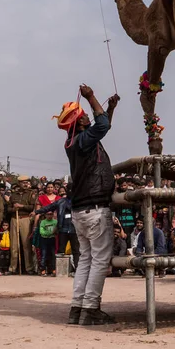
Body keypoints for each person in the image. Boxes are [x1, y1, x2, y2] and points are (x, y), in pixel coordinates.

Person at [55, 84, 119, 326]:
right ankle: (90, 308)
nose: (86, 114)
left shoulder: (76, 141)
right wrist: (92, 97)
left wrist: (109, 109)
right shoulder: (82, 140)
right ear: (79, 122)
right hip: (94, 209)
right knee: (99, 260)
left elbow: (103, 125)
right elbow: (101, 126)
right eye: (82, 114)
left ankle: (77, 308)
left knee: (85, 260)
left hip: (81, 210)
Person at [35, 184, 80, 270]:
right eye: (69, 190)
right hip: (63, 228)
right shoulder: (61, 201)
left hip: (75, 229)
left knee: (76, 251)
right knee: (61, 251)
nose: (71, 192)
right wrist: (38, 211)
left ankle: (78, 270)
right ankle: (61, 270)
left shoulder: (79, 202)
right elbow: (48, 207)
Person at [7, 176, 36, 275]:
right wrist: (13, 209)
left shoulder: (30, 194)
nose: (25, 184)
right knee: (14, 246)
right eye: (23, 182)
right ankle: (12, 268)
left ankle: (29, 268)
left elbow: (32, 207)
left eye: (26, 182)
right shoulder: (13, 195)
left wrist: (21, 206)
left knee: (26, 245)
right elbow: (8, 209)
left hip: (25, 219)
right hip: (14, 219)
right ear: (19, 183)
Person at [39, 211, 57, 276]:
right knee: (44, 255)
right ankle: (43, 270)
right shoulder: (43, 222)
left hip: (52, 239)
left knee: (52, 255)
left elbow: (57, 229)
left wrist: (53, 233)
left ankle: (53, 270)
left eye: (51, 214)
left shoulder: (55, 222)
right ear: (45, 215)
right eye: (48, 214)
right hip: (44, 239)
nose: (49, 216)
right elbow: (41, 231)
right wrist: (50, 233)